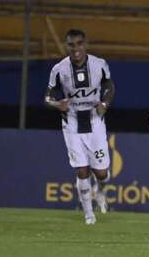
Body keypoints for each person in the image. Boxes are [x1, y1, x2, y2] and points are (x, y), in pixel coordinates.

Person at [44, 29, 115, 225]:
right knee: (82, 170)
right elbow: (48, 96)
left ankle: (99, 190)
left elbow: (110, 86)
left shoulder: (99, 65)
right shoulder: (59, 69)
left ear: (85, 44)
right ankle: (88, 213)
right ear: (67, 46)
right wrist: (57, 104)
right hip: (72, 124)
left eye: (79, 44)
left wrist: (105, 104)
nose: (75, 49)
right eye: (71, 45)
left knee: (101, 173)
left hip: (94, 122)